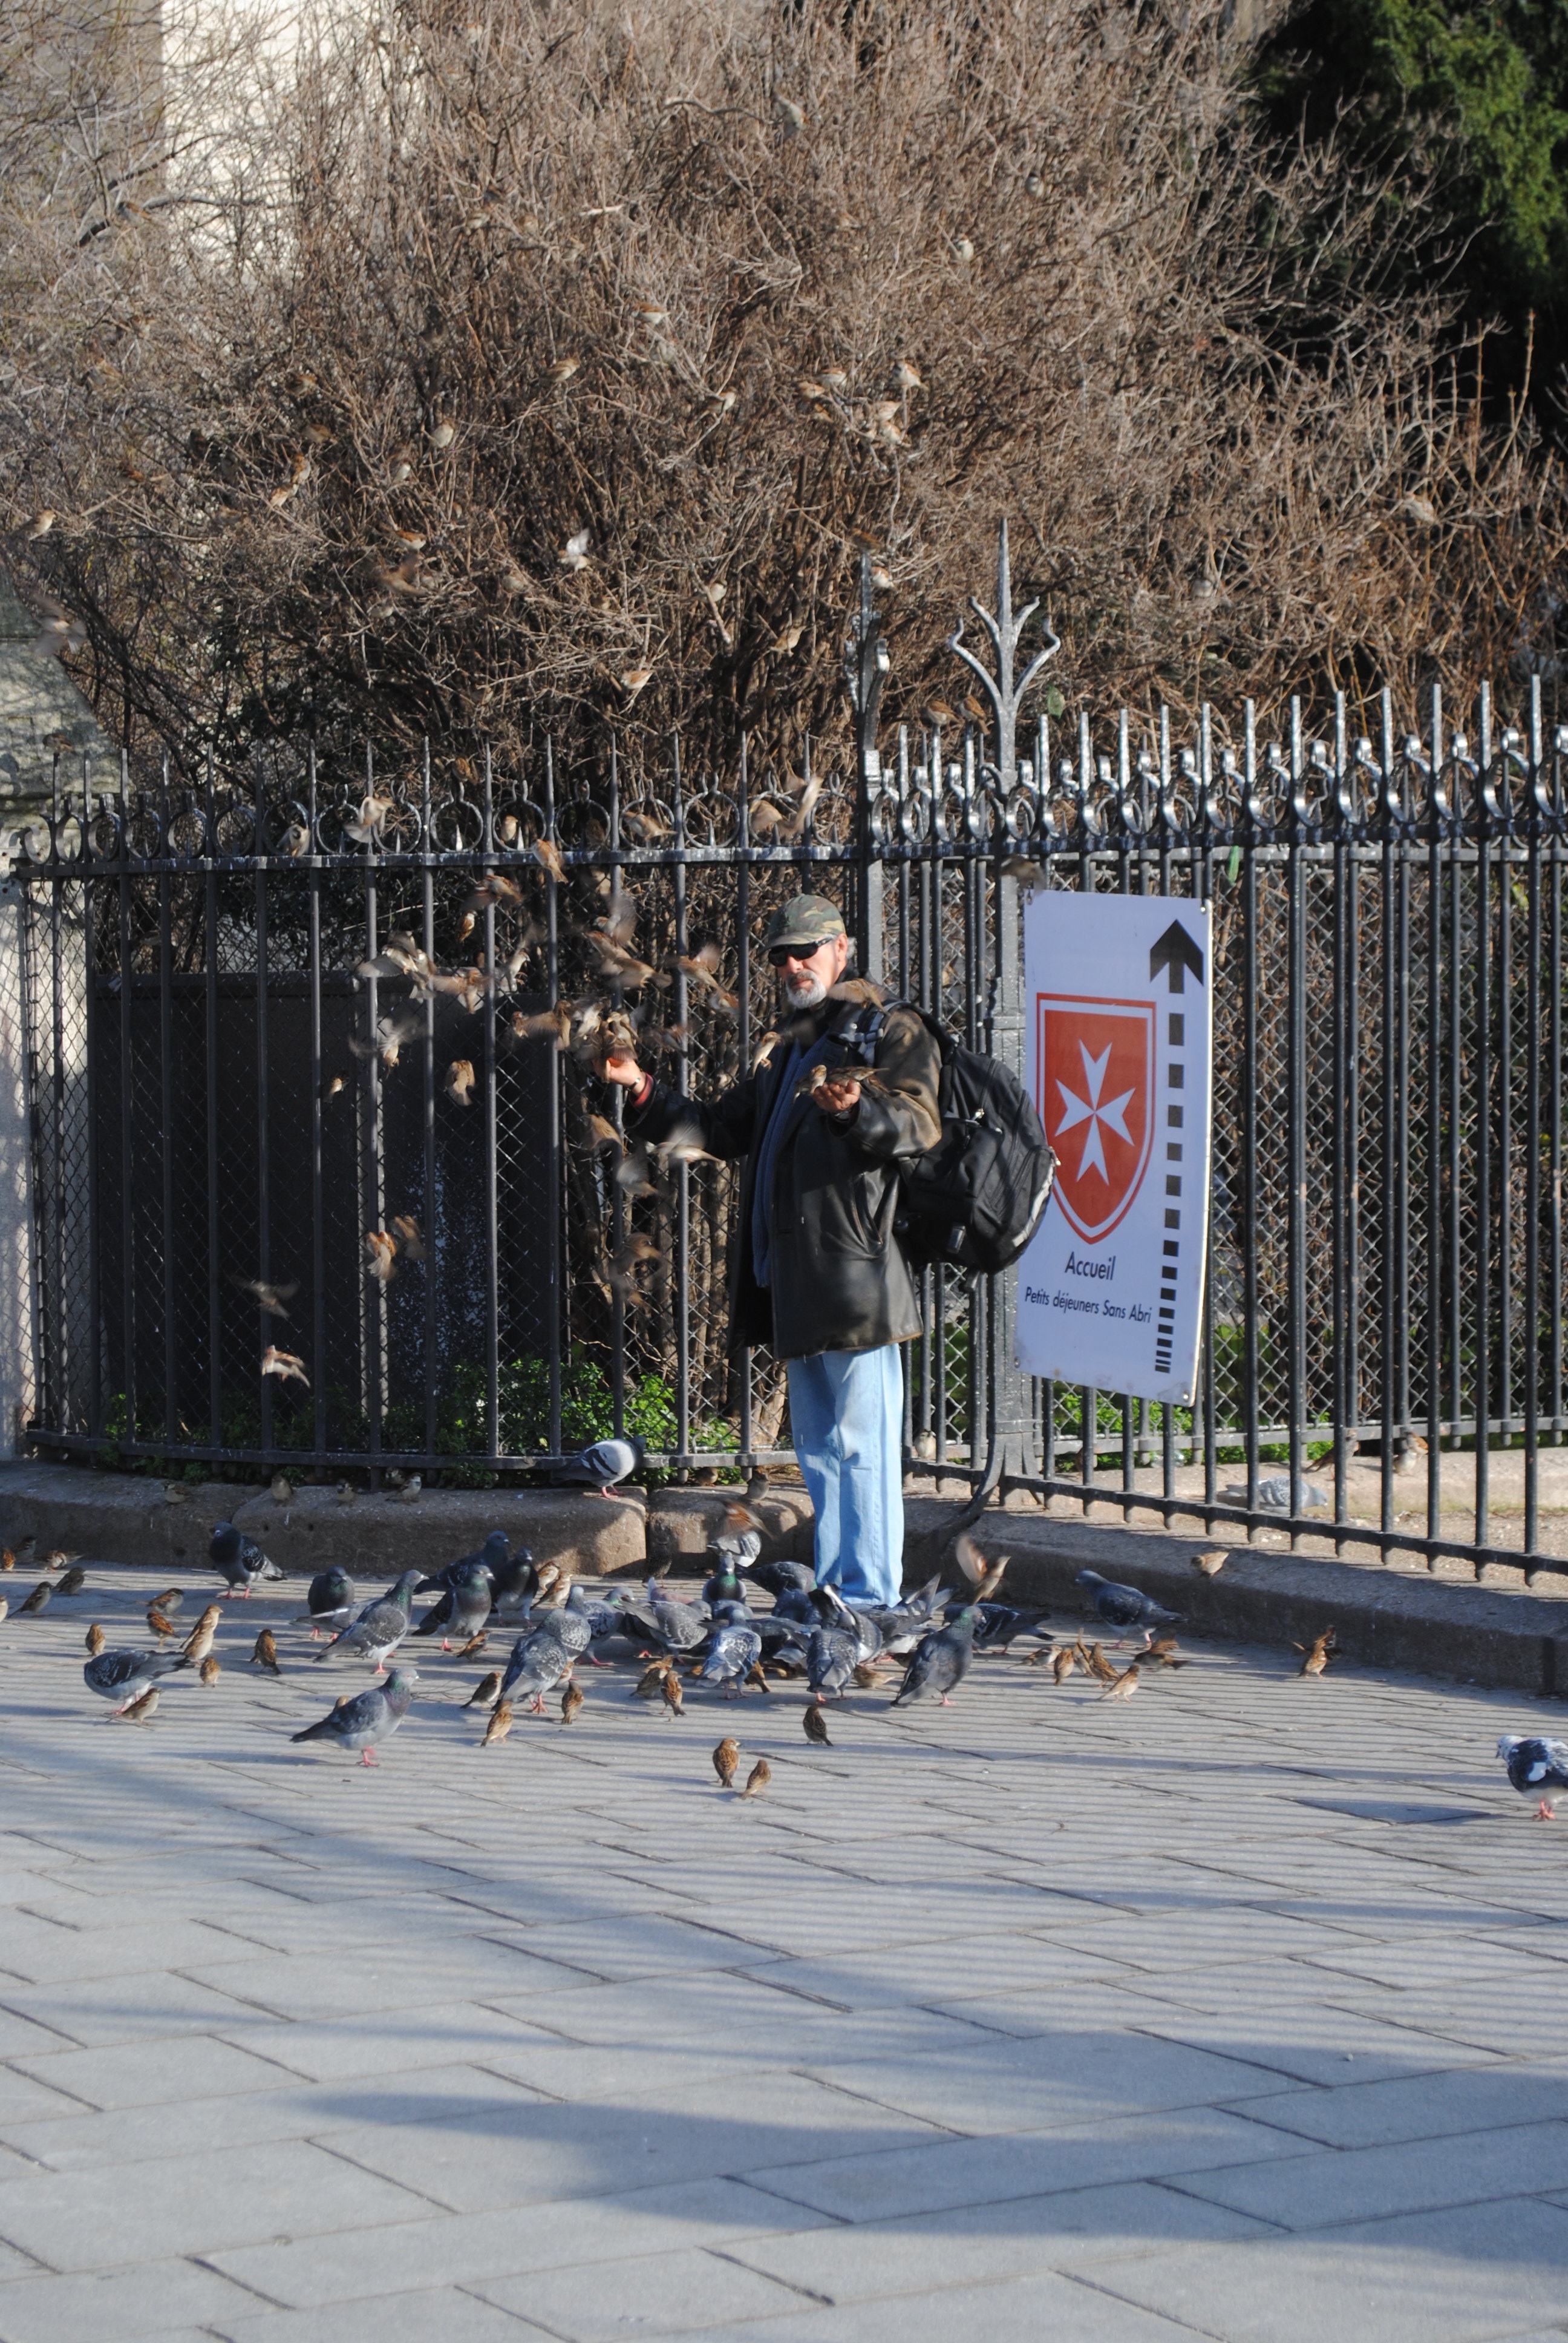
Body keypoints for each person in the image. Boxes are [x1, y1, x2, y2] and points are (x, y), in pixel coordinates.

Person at [596, 893, 941, 1605]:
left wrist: (856, 1110)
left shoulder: (890, 1025)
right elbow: (721, 1127)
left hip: (859, 1279)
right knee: (820, 1449)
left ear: (842, 947)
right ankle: (840, 1593)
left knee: (863, 1447)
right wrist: (642, 1089)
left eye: (805, 950)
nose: (792, 966)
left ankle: (870, 1598)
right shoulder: (796, 1043)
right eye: (781, 956)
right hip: (798, 1279)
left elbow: (919, 1126)